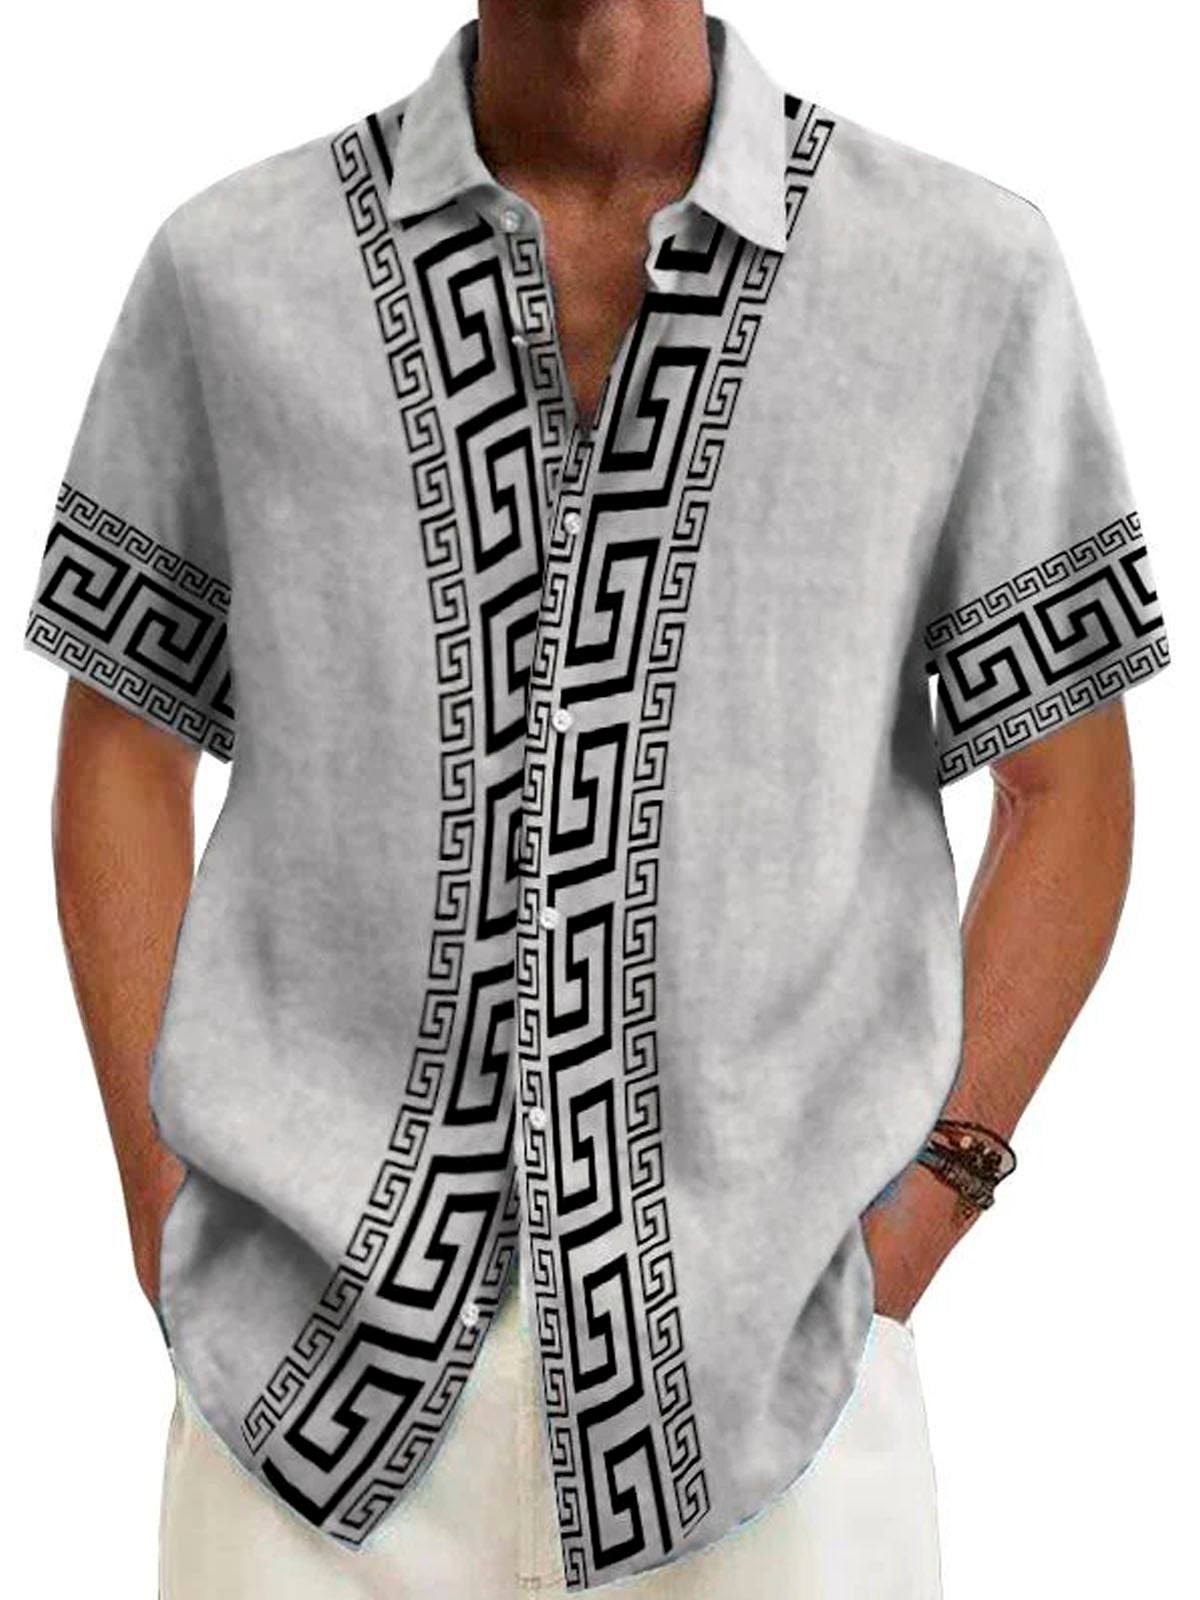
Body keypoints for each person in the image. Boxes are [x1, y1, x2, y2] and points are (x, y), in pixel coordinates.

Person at [25, 3, 1170, 1597]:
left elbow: (1067, 785)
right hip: (303, 1401)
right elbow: (122, 746)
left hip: (777, 1398)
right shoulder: (232, 272)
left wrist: (928, 1207)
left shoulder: (963, 273)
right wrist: (167, 1217)